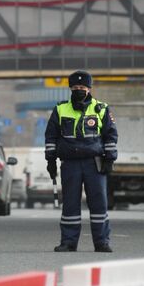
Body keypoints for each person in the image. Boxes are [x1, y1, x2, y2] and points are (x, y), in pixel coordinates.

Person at [44, 70, 118, 252]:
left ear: (89, 88)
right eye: (75, 87)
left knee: (99, 203)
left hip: (95, 163)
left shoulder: (101, 109)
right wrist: (51, 161)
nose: (79, 90)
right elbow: (51, 136)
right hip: (70, 163)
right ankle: (68, 242)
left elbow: (111, 135)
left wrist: (110, 159)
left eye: (82, 87)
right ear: (70, 88)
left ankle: (102, 242)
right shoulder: (60, 109)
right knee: (70, 204)